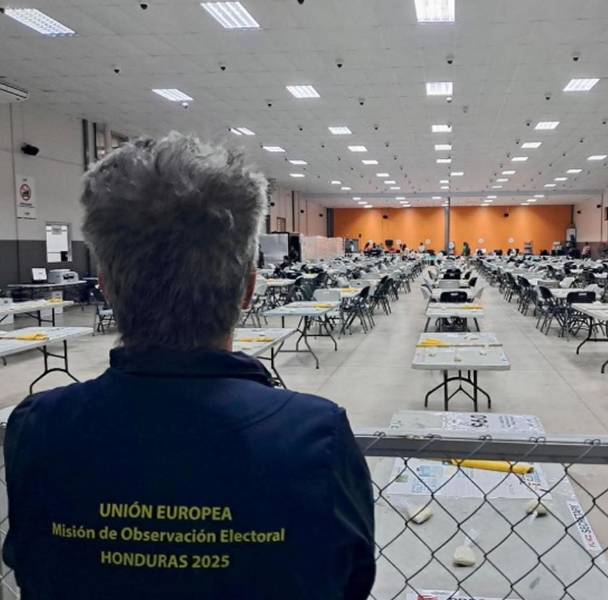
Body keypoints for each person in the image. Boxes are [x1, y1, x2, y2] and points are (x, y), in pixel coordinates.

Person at [2, 134, 375, 600]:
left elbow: (30, 566)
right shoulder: (316, 437)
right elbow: (351, 580)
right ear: (249, 289)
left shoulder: (38, 429)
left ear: (107, 289)